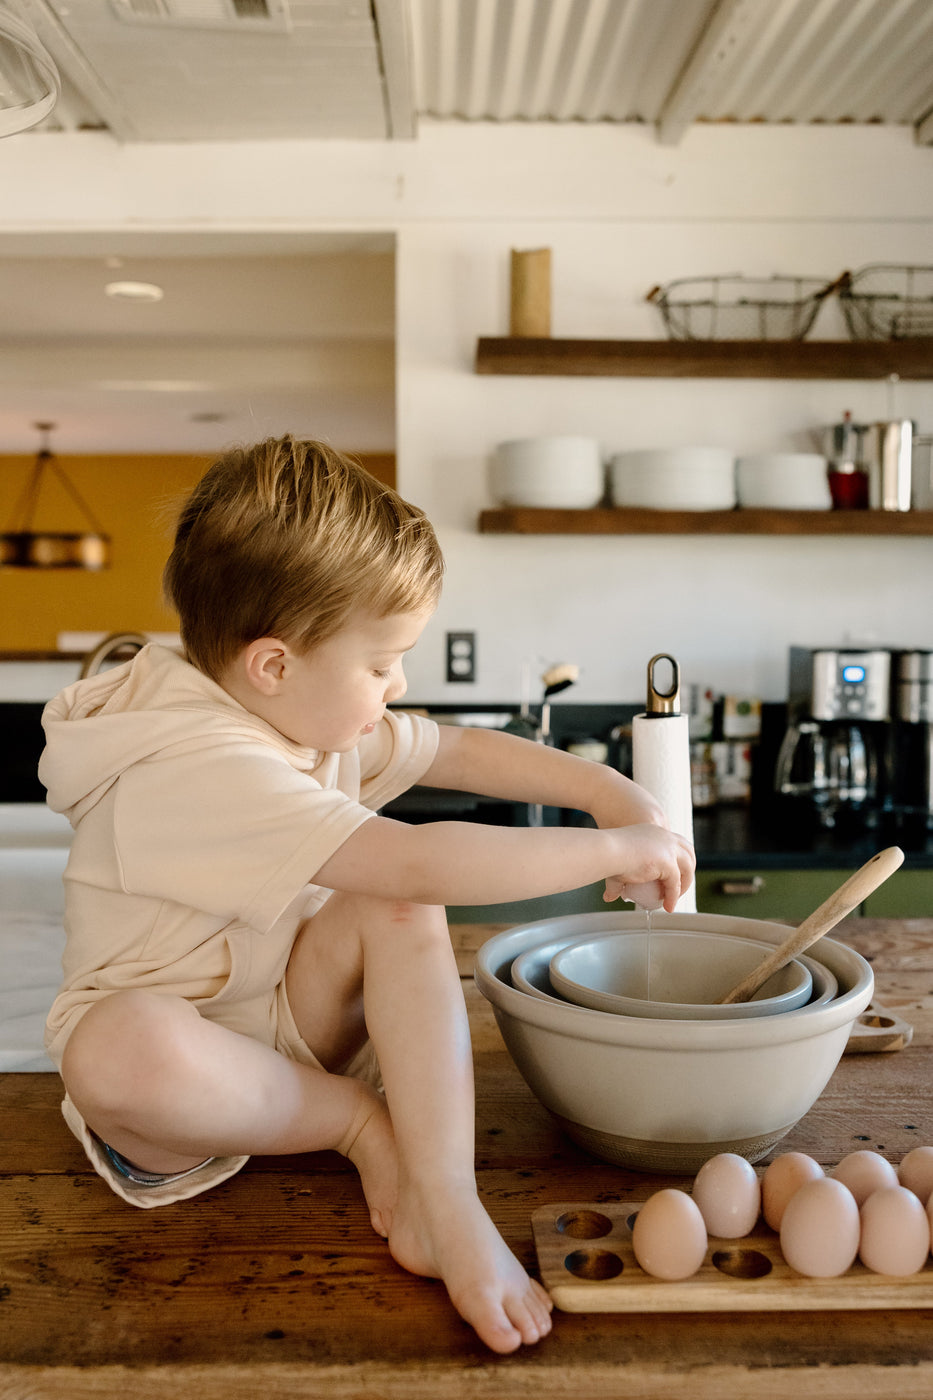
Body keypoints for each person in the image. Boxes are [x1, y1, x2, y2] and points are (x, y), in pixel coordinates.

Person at [39, 436, 695, 1355]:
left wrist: (607, 791)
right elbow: (421, 860)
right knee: (115, 1050)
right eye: (382, 662)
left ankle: (443, 1192)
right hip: (184, 1094)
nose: (397, 686)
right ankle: (354, 1123)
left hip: (285, 1018)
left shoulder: (294, 707)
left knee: (391, 905)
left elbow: (455, 748)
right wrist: (610, 848)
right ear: (273, 664)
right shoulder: (193, 763)